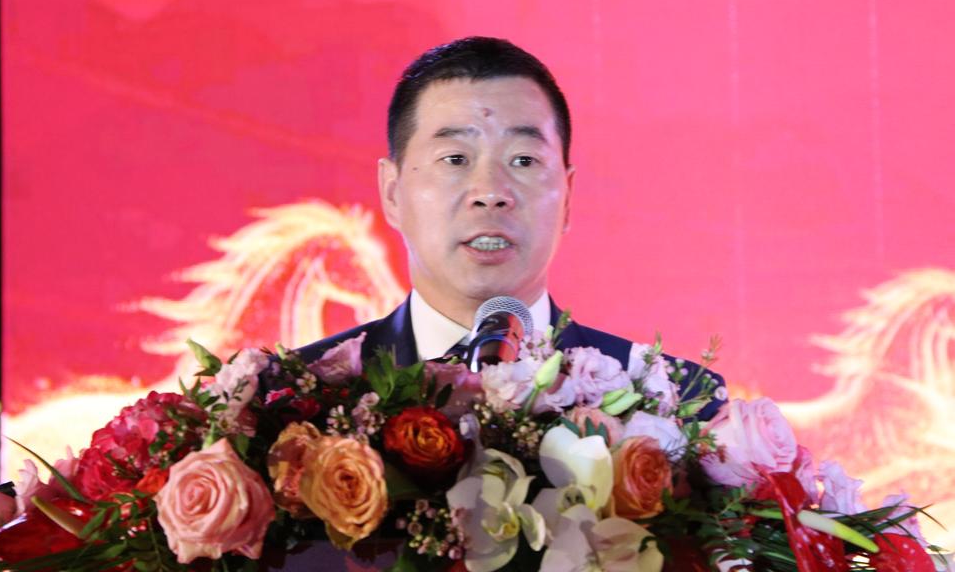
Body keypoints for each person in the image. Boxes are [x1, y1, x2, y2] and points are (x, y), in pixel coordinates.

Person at [298, 36, 723, 417]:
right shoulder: (296, 397)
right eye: (455, 159)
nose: (490, 192)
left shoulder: (676, 404)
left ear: (567, 197)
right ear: (392, 192)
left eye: (523, 160)